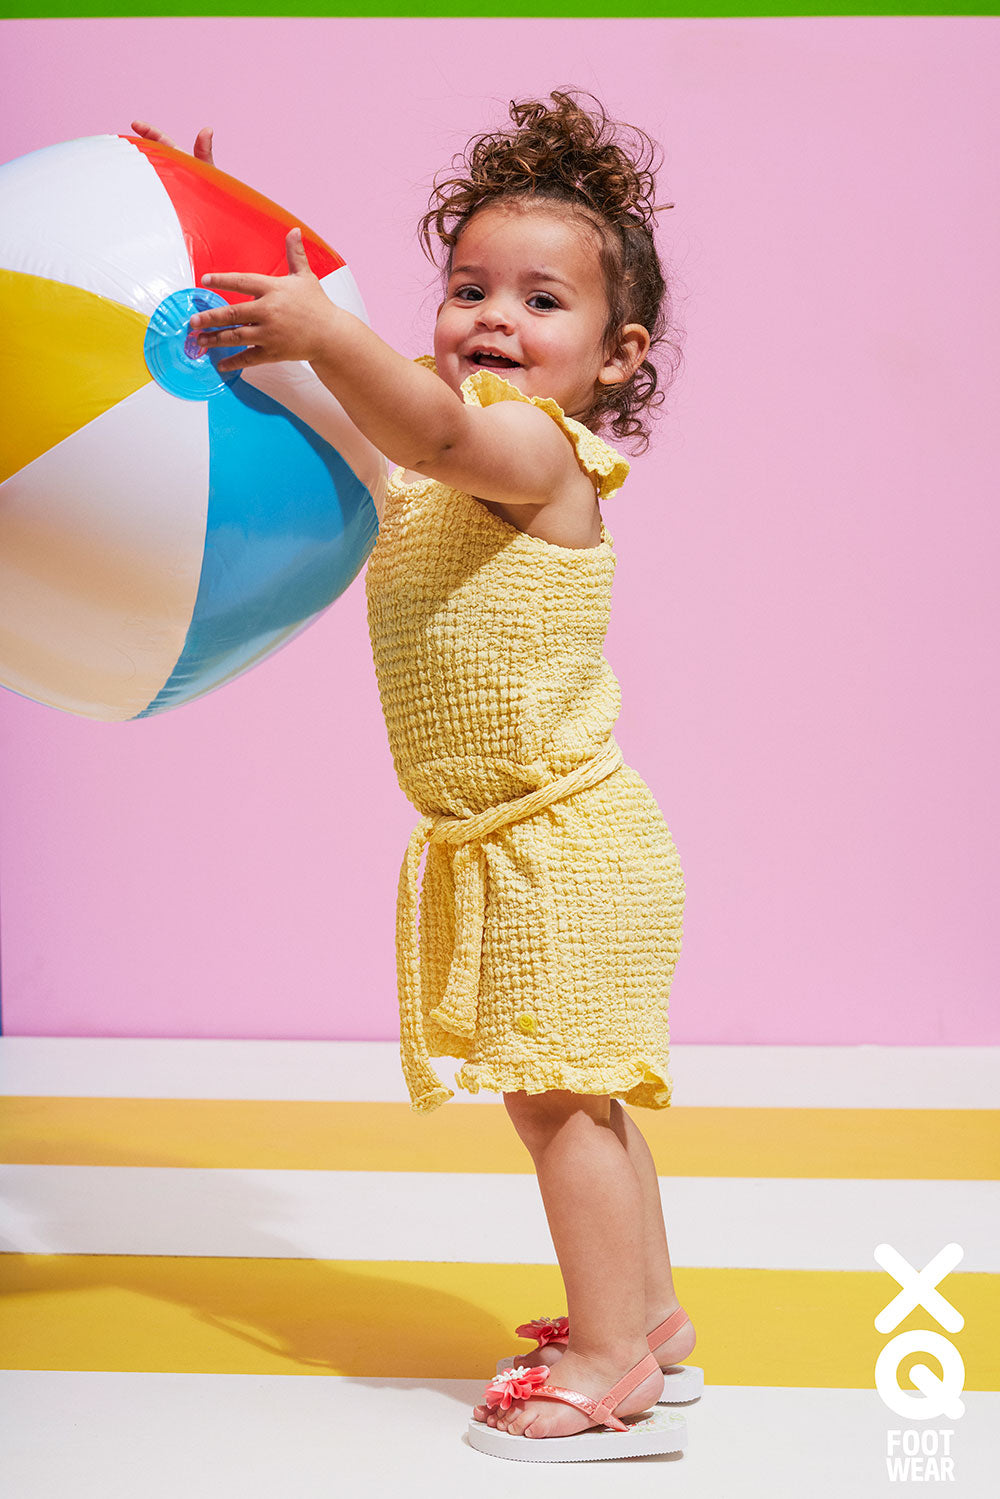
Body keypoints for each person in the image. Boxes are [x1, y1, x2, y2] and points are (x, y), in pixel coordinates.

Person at [132, 91, 698, 1462]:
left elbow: (431, 428)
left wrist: (332, 335)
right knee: (578, 1091)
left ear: (617, 358)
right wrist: (228, 256)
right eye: (467, 288)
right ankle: (651, 1322)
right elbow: (358, 403)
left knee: (556, 1099)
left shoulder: (540, 455)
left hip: (561, 843)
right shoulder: (445, 458)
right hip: (527, 842)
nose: (492, 318)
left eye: (542, 301)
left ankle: (611, 1366)